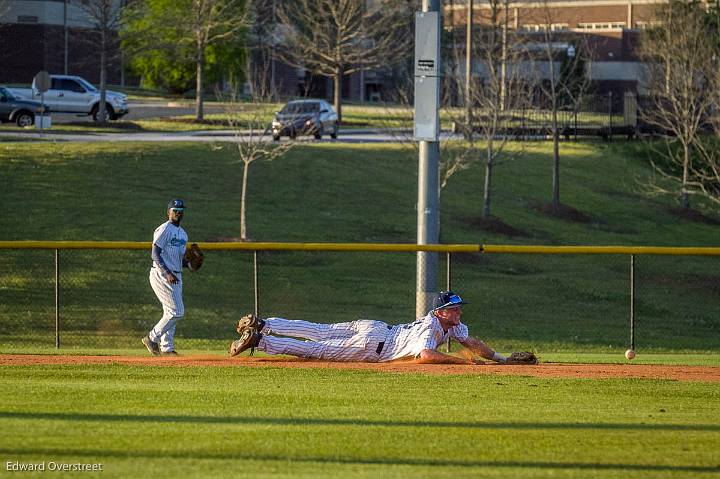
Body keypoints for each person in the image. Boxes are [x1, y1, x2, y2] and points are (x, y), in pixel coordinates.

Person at [228, 291, 511, 364]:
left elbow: (472, 342)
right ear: (440, 312)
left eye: (459, 307)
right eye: (454, 308)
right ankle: (261, 341)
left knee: (318, 330)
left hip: (376, 328)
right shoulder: (431, 328)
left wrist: (500, 359)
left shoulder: (451, 325)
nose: (459, 311)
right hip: (372, 346)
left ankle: (265, 324)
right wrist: (461, 363)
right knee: (315, 349)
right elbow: (426, 355)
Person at [141, 199, 193, 356]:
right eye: (175, 209)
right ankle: (151, 338)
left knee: (170, 311)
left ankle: (167, 348)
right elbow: (154, 253)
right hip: (162, 274)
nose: (178, 212)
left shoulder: (183, 234)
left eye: (180, 209)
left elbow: (180, 260)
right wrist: (166, 272)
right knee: (177, 312)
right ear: (168, 212)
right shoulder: (164, 229)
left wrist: (190, 264)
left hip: (176, 275)